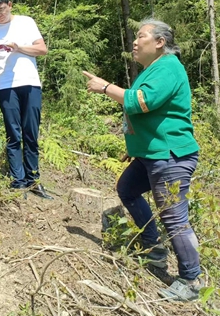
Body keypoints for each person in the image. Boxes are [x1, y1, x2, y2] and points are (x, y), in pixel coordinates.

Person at [83, 19, 203, 302]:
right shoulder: (154, 69)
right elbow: (147, 116)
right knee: (127, 189)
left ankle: (190, 281)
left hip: (170, 155)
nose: (134, 43)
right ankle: (154, 248)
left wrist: (105, 87)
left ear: (160, 42)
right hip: (151, 154)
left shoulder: (169, 67)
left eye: (141, 37)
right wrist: (136, 146)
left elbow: (140, 102)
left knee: (174, 218)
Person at [0, 0, 51, 199]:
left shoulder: (26, 22)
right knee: (13, 133)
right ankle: (18, 181)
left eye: (1, 10)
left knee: (31, 132)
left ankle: (34, 179)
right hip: (3, 85)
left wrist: (19, 48)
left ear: (9, 5)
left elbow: (42, 49)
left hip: (29, 82)